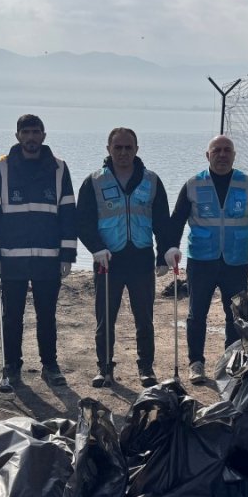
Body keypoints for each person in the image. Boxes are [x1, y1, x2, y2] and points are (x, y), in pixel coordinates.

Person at [0, 114, 77, 391]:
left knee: (47, 315)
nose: (31, 137)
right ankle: (11, 366)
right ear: (18, 136)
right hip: (11, 258)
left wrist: (67, 254)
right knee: (12, 316)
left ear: (44, 135)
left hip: (49, 257)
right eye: (26, 132)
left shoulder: (59, 168)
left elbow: (68, 213)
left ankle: (50, 365)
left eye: (36, 132)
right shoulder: (2, 168)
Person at [75, 127, 173, 388]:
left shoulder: (151, 180)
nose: (123, 152)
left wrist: (165, 252)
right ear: (108, 149)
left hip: (141, 259)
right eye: (117, 147)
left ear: (137, 150)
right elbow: (82, 222)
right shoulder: (94, 181)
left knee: (144, 319)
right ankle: (104, 368)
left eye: (128, 147)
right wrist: (95, 248)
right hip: (108, 261)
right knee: (105, 319)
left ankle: (146, 368)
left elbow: (163, 220)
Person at [167, 135, 248, 384]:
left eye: (227, 150)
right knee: (196, 313)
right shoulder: (193, 184)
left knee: (235, 314)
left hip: (236, 260)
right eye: (217, 150)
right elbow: (177, 219)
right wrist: (170, 248)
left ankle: (231, 360)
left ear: (234, 155)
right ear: (207, 155)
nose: (222, 155)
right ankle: (196, 363)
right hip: (202, 259)